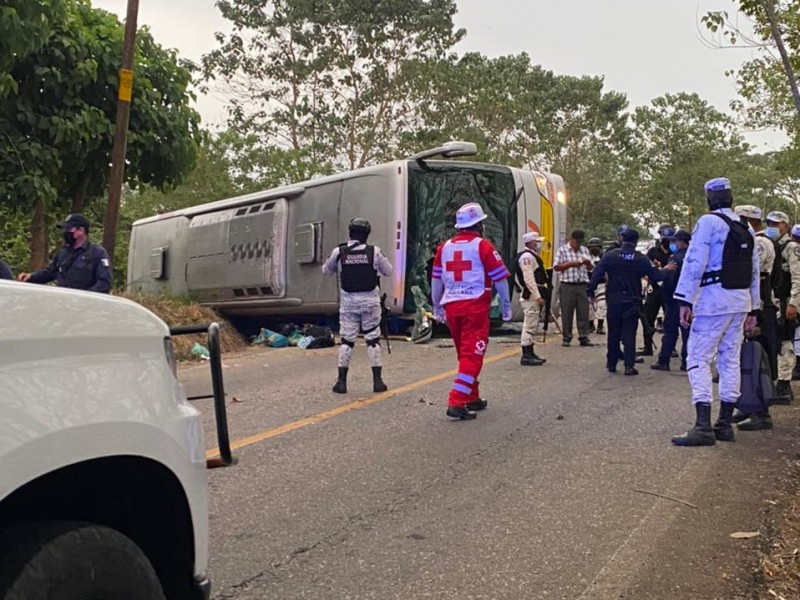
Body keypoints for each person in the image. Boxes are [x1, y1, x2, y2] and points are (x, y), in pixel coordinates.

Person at [671, 178, 759, 447]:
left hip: (713, 301)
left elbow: (694, 262)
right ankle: (724, 424)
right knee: (729, 359)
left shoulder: (708, 223)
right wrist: (754, 307)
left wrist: (684, 300)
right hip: (740, 302)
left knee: (697, 357)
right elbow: (754, 272)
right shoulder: (747, 227)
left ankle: (702, 426)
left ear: (710, 198)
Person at [432, 202, 512, 420]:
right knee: (473, 355)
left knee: (464, 354)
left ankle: (471, 396)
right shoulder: (483, 246)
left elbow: (436, 279)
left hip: (452, 307)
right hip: (474, 306)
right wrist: (506, 305)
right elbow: (500, 278)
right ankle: (456, 400)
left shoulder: (444, 247)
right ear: (480, 225)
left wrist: (436, 305)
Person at [322, 217, 393, 394]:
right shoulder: (374, 252)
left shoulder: (340, 251)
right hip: (370, 302)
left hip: (348, 304)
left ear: (350, 232)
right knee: (373, 339)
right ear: (367, 234)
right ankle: (377, 382)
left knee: (347, 341)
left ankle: (341, 383)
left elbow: (326, 271)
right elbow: (388, 271)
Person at [587, 228, 673, 375]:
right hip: (632, 301)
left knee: (613, 331)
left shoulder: (610, 256)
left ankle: (612, 363)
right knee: (629, 333)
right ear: (636, 241)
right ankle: (629, 365)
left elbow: (597, 274)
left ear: (622, 239)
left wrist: (590, 292)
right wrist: (667, 269)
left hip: (614, 299)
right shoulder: (641, 258)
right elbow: (655, 276)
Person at [17, 213, 112, 293]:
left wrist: (85, 297)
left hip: (86, 307)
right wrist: (31, 277)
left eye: (69, 229)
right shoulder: (63, 253)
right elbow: (49, 272)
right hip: (62, 303)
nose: (66, 232)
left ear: (81, 231)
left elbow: (104, 283)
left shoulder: (97, 254)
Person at [763, 210, 800, 404]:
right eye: (769, 223)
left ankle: (784, 386)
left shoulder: (791, 247)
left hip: (787, 301)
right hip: (774, 301)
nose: (772, 227)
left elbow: (798, 277)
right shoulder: (772, 245)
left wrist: (794, 303)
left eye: (776, 224)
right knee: (776, 342)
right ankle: (778, 383)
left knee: (786, 343)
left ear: (786, 225)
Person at [651, 230, 691, 372]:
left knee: (670, 331)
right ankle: (687, 362)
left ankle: (664, 360)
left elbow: (670, 280)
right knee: (687, 332)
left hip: (675, 299)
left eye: (675, 241)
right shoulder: (693, 256)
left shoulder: (675, 258)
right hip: (690, 299)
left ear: (681, 242)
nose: (673, 243)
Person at [638, 224, 675, 356]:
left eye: (668, 238)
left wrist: (663, 268)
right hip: (654, 289)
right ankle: (647, 346)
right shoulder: (653, 251)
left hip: (669, 289)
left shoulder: (675, 252)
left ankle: (671, 347)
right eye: (663, 238)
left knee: (670, 319)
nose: (665, 241)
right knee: (648, 317)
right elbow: (645, 268)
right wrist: (654, 268)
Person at [554, 229, 594, 347]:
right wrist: (570, 264)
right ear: (571, 240)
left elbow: (591, 268)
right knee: (567, 312)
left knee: (583, 311)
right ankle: (567, 337)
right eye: (577, 242)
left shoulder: (584, 250)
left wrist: (588, 264)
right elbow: (556, 267)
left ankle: (583, 336)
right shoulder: (562, 250)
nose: (579, 244)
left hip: (582, 284)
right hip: (567, 284)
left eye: (580, 242)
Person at [514, 232, 547, 366]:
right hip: (531, 295)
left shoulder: (531, 256)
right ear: (529, 243)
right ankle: (526, 354)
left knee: (532, 323)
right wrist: (537, 296)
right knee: (529, 324)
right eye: (536, 241)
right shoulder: (527, 257)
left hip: (534, 293)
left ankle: (530, 352)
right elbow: (529, 278)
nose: (538, 244)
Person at [586, 237, 606, 335]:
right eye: (592, 247)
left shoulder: (604, 257)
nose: (594, 249)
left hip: (601, 283)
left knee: (602, 305)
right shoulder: (585, 257)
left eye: (596, 247)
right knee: (589, 306)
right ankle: (590, 325)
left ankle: (600, 325)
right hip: (589, 283)